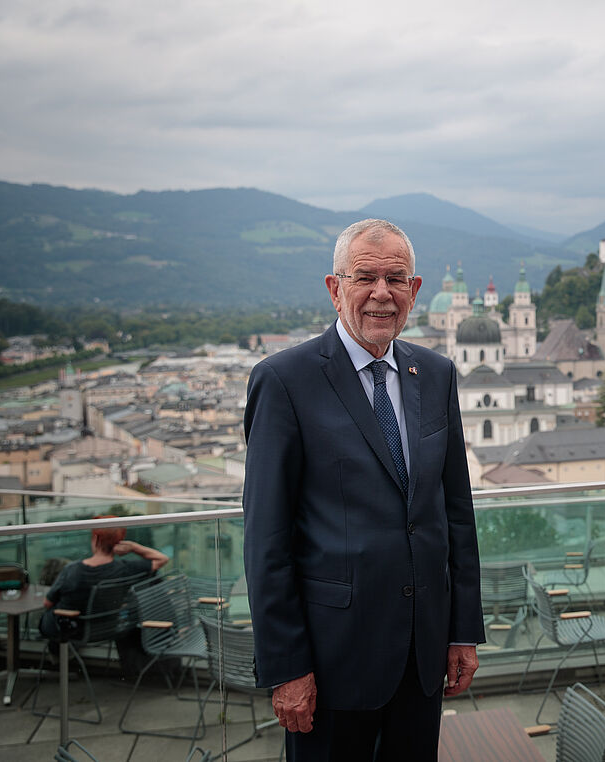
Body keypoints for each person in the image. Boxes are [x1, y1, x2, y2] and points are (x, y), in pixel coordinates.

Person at [243, 219, 484, 762]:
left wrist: (462, 630)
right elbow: (266, 539)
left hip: (421, 658)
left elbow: (455, 515)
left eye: (396, 279)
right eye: (365, 278)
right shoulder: (284, 380)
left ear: (415, 291)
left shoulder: (437, 373)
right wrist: (287, 667)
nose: (382, 293)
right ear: (335, 288)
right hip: (331, 661)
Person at [40, 517, 168, 657]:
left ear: (95, 539)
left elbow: (47, 603)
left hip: (72, 631)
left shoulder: (72, 570)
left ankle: (59, 660)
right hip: (107, 630)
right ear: (118, 543)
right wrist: (133, 547)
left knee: (52, 613)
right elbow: (162, 559)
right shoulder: (125, 569)